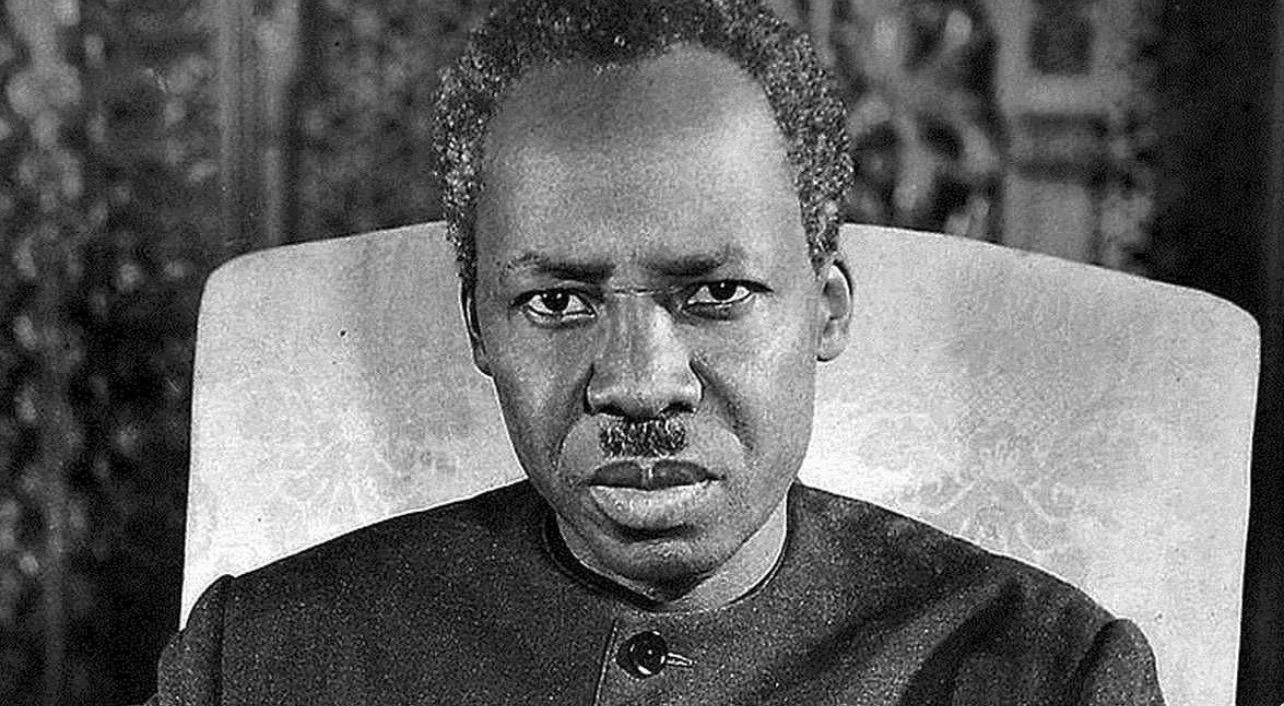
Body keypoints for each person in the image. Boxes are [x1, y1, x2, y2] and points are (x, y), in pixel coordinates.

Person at [146, 0, 1165, 703]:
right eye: (557, 302)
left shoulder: (1048, 673)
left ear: (827, 311)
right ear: (479, 327)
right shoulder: (261, 658)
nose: (640, 383)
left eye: (716, 294)